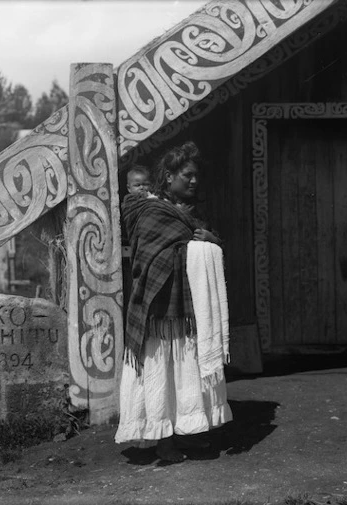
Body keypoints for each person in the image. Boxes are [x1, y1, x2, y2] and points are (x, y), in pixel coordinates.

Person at [115, 141, 232, 463]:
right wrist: (196, 248)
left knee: (185, 371)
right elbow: (149, 257)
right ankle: (163, 440)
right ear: (168, 176)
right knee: (160, 373)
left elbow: (201, 244)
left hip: (185, 307)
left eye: (196, 176)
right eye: (187, 175)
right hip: (156, 307)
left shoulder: (189, 214)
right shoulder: (150, 210)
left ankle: (186, 432)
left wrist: (210, 242)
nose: (194, 181)